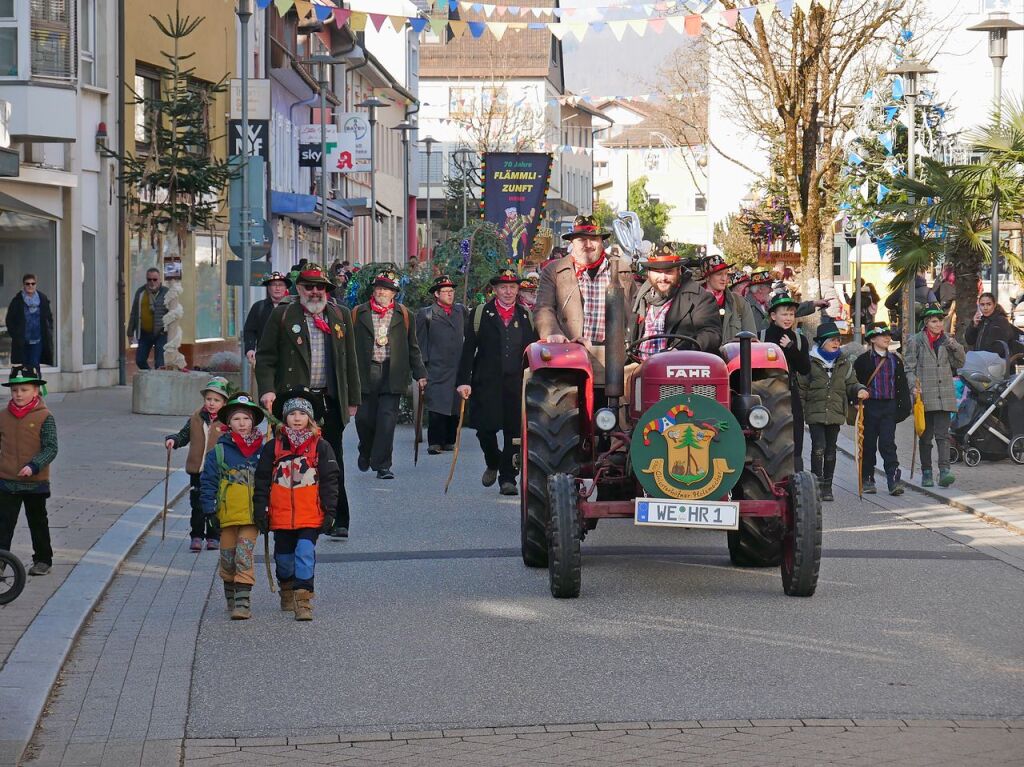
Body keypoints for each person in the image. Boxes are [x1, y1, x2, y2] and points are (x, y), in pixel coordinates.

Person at [255, 263, 360, 540]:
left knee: (332, 458)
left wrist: (354, 399)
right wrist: (267, 390)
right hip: (294, 402)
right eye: (309, 286)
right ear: (299, 288)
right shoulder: (283, 315)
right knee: (295, 459)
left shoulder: (340, 315)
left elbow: (351, 360)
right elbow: (265, 358)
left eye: (320, 287)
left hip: (329, 400)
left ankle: (338, 518)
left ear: (327, 290)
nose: (315, 292)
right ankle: (295, 515)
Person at [253, 388, 339, 622]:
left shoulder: (321, 446)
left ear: (310, 418)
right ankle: (287, 587)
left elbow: (330, 481)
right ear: (285, 417)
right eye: (292, 414)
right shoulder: (274, 448)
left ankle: (303, 600)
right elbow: (261, 480)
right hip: (280, 516)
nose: (297, 418)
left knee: (304, 553)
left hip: (310, 514)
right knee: (284, 560)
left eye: (302, 413)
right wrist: (260, 509)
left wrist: (331, 511)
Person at [457, 269, 538, 496]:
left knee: (514, 433)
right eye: (503, 287)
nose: (508, 291)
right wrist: (463, 381)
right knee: (485, 430)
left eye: (513, 287)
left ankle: (508, 478)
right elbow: (467, 350)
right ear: (495, 290)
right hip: (486, 383)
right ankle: (492, 461)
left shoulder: (525, 316)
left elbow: (532, 351)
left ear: (518, 290)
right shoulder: (480, 314)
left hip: (515, 384)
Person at [352, 269, 427, 480]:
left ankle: (383, 465)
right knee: (364, 419)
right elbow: (347, 347)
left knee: (386, 421)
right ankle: (365, 450)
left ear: (394, 293)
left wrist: (420, 373)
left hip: (392, 373)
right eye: (378, 288)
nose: (382, 292)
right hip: (365, 373)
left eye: (386, 289)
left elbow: (413, 347)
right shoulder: (358, 313)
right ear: (373, 291)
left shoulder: (404, 315)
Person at [199, 392, 265, 620]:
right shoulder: (219, 450)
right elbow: (207, 481)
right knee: (227, 557)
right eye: (237, 419)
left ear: (253, 421)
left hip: (251, 516)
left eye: (246, 419)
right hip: (226, 515)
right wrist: (209, 509)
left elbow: (268, 481)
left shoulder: (262, 449)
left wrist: (268, 509)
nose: (242, 423)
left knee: (244, 555)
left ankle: (243, 602)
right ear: (229, 422)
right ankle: (230, 592)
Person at [799, 321, 868, 501]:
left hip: (836, 412)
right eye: (832, 340)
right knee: (818, 448)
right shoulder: (810, 362)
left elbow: (851, 383)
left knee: (831, 450)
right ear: (822, 342)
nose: (836, 343)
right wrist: (799, 409)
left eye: (838, 340)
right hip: (815, 412)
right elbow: (801, 388)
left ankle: (827, 487)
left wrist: (859, 389)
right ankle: (816, 484)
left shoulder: (844, 363)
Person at [0, 367, 57, 576]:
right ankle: (1, 561)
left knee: (37, 521)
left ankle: (43, 560)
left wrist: (34, 465)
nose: (18, 395)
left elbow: (51, 447)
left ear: (36, 391)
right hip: (6, 481)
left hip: (35, 481)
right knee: (3, 523)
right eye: (15, 390)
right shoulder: (3, 416)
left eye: (24, 390)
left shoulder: (44, 416)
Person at [165, 377, 231, 552]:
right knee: (197, 504)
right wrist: (174, 440)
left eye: (216, 400)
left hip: (217, 471)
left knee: (215, 504)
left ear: (224, 402)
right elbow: (184, 435)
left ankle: (213, 536)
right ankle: (196, 536)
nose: (211, 403)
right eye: (209, 399)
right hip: (197, 470)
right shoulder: (196, 417)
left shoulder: (227, 422)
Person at [903, 305, 965, 488]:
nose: (939, 324)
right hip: (925, 396)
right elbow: (909, 368)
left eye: (940, 320)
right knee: (925, 436)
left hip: (944, 395)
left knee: (943, 435)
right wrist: (914, 386)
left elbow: (960, 362)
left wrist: (953, 343)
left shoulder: (947, 341)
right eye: (934, 321)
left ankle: (945, 470)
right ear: (926, 323)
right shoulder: (916, 341)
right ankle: (927, 472)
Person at [629, 246, 721, 358]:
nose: (663, 277)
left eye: (668, 271)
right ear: (648, 273)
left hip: (678, 368)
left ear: (679, 271)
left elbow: (711, 334)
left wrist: (679, 351)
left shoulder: (699, 298)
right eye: (657, 271)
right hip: (638, 367)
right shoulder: (638, 299)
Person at [854, 323, 911, 496]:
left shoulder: (895, 360)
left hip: (889, 407)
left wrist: (904, 407)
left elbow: (901, 385)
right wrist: (855, 399)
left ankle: (894, 480)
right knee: (869, 445)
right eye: (882, 335)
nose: (887, 338)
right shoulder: (862, 360)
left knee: (888, 444)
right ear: (872, 339)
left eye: (888, 335)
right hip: (870, 407)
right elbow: (853, 383)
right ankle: (868, 478)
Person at [415, 275, 466, 454]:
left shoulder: (461, 311)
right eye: (445, 291)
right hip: (435, 367)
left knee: (454, 405)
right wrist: (422, 370)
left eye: (451, 291)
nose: (450, 294)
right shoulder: (426, 314)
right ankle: (435, 442)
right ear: (436, 294)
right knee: (437, 405)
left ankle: (450, 440)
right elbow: (419, 343)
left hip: (457, 365)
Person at [761, 293, 811, 471]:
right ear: (773, 316)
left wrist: (790, 348)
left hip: (790, 393)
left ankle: (795, 474)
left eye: (791, 314)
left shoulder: (798, 339)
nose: (788, 318)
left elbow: (805, 368)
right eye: (784, 314)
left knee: (795, 435)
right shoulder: (761, 336)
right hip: (763, 395)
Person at [698, 254, 756, 343]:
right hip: (704, 356)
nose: (724, 278)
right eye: (719, 274)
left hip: (733, 356)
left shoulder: (740, 303)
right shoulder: (693, 302)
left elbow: (752, 342)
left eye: (726, 274)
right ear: (707, 277)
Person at [6, 275, 54, 377]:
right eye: (27, 284)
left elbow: (48, 317)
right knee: (25, 366)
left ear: (36, 284)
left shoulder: (42, 299)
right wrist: (15, 335)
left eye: (33, 283)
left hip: (37, 339)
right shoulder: (17, 300)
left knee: (34, 364)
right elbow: (10, 320)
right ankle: (28, 390)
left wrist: (49, 329)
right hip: (22, 340)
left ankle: (37, 389)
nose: (30, 286)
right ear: (24, 285)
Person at [243, 272, 292, 364]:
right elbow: (250, 331)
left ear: (286, 288)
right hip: (265, 357)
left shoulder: (294, 307)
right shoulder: (258, 307)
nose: (277, 288)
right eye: (273, 285)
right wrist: (250, 349)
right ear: (268, 288)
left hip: (290, 358)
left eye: (280, 285)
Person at [127, 268, 169, 370]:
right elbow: (134, 313)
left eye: (155, 279)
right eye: (149, 279)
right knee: (140, 360)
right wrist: (130, 333)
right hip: (145, 333)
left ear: (159, 279)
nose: (152, 282)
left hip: (161, 333)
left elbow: (173, 313)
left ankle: (158, 381)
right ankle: (151, 376)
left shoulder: (166, 292)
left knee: (160, 363)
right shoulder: (141, 292)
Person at [965, 292, 1020, 358]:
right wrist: (973, 325)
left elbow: (999, 347)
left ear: (994, 305)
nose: (985, 308)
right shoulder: (981, 321)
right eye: (982, 305)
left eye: (988, 304)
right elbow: (969, 340)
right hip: (981, 361)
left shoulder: (1001, 321)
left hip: (997, 363)